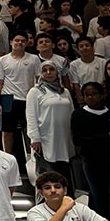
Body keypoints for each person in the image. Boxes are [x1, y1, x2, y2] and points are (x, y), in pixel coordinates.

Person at [26, 60, 75, 192]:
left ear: (57, 72)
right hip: (45, 140)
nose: (48, 73)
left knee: (64, 179)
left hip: (64, 140)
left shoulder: (65, 92)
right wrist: (35, 138)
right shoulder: (35, 91)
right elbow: (31, 117)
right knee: (46, 179)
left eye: (51, 70)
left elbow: (72, 114)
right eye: (44, 70)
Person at [0, 31, 40, 160]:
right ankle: (7, 157)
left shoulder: (34, 59)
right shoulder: (2, 60)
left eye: (22, 41)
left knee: (29, 129)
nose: (19, 43)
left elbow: (39, 79)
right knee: (7, 130)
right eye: (17, 40)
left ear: (27, 43)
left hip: (28, 98)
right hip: (7, 98)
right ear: (11, 42)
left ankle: (32, 157)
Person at [71, 82, 110, 219]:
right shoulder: (78, 115)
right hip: (92, 160)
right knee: (97, 192)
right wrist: (105, 137)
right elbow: (78, 140)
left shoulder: (108, 113)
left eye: (94, 94)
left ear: (102, 95)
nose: (91, 97)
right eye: (87, 95)